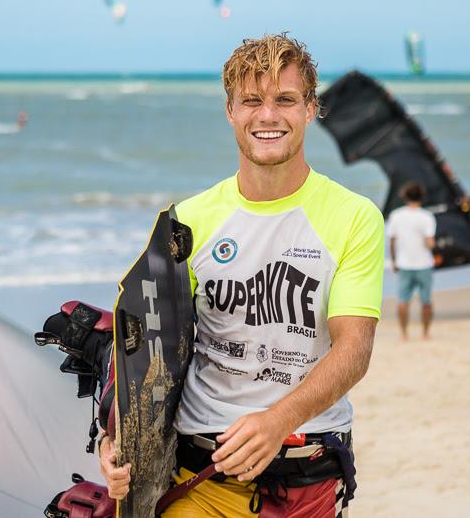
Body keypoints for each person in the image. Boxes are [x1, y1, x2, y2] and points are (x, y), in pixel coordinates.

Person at [97, 34, 384, 517]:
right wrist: (118, 438)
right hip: (200, 476)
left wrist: (277, 421)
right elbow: (149, 348)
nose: (268, 116)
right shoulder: (187, 221)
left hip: (307, 474)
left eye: (285, 100)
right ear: (230, 110)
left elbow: (354, 349)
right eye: (251, 100)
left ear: (310, 109)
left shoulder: (354, 217)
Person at [387, 181, 436, 340]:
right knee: (426, 301)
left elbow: (392, 241)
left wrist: (394, 261)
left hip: (404, 264)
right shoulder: (427, 216)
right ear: (422, 197)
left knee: (402, 301)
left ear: (405, 196)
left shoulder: (396, 215)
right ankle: (425, 333)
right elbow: (430, 243)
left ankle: (404, 333)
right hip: (424, 264)